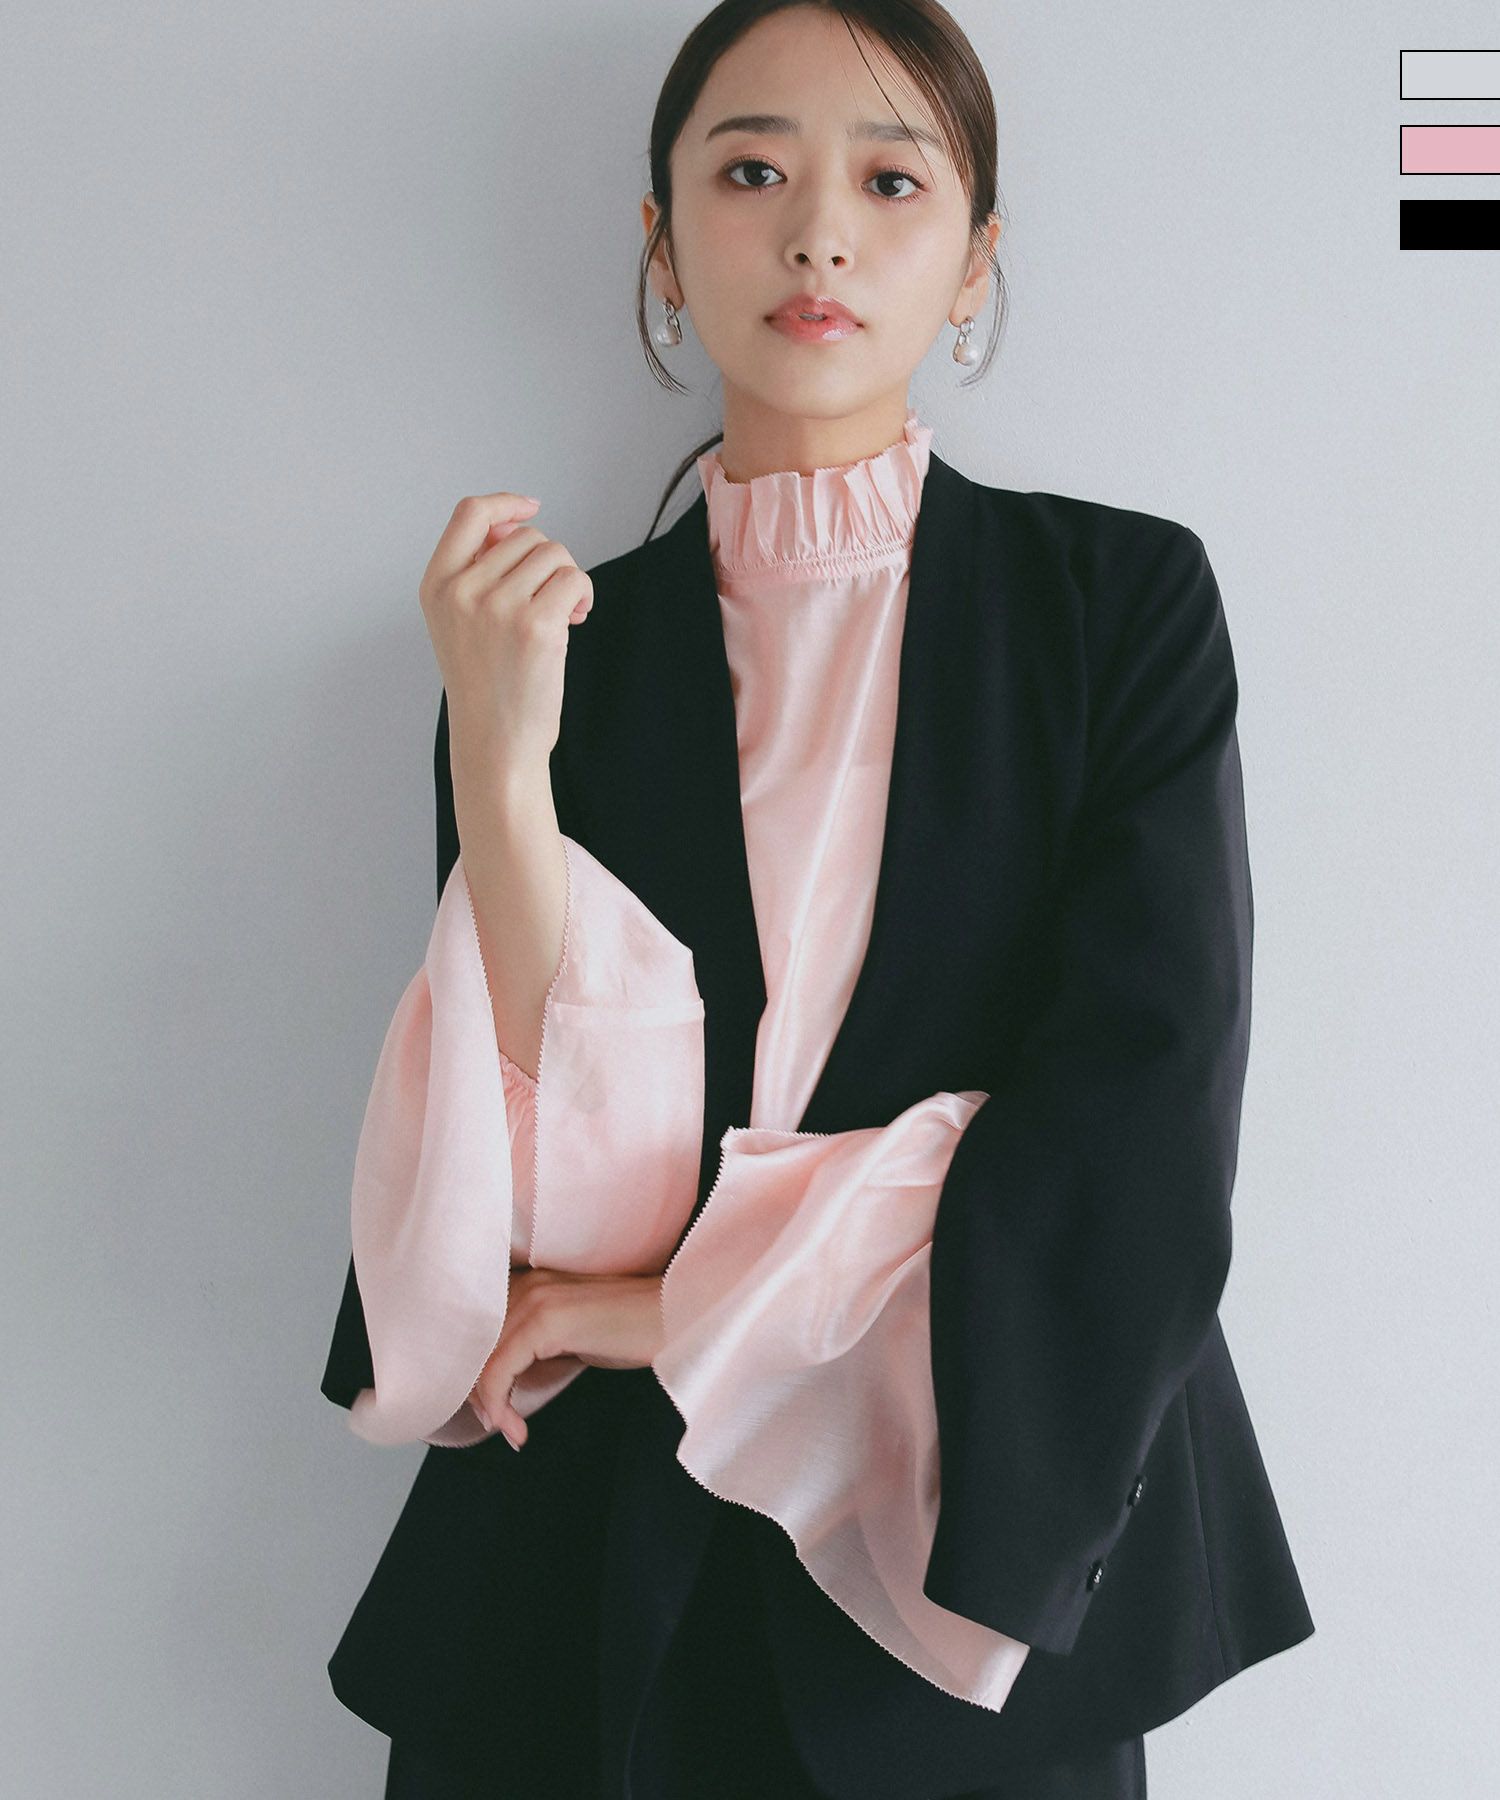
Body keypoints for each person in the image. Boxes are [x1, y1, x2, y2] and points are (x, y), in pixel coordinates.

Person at [319, 5, 1316, 1796]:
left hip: (962, 1555)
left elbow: (1132, 1138)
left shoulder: (1116, 607)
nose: (819, 234)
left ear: (976, 256)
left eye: (892, 180)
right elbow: (533, 1196)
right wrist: (500, 765)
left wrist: (678, 1307)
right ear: (662, 242)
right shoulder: (548, 654)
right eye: (751, 171)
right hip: (585, 1584)